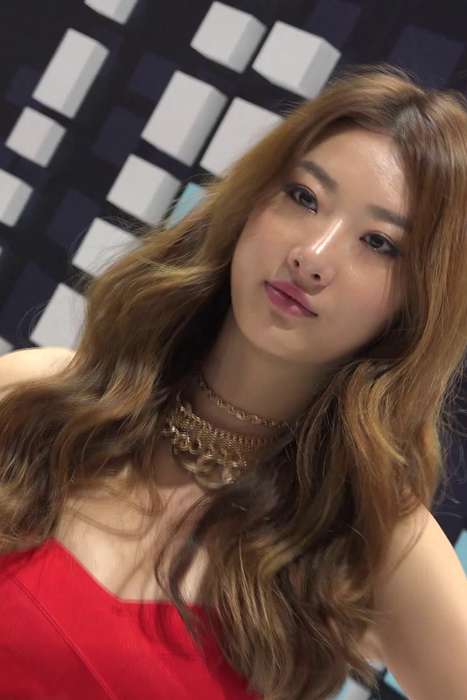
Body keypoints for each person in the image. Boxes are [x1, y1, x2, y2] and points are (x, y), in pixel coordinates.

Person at [1, 63, 467, 700]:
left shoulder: (365, 540)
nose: (313, 256)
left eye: (380, 243)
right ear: (252, 202)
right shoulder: (35, 399)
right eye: (304, 197)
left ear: (422, 300)